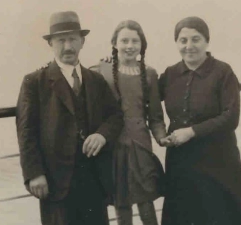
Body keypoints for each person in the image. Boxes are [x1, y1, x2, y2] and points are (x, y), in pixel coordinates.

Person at [15, 11, 124, 225]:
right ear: (51, 44)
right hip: (56, 182)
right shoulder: (34, 82)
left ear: (82, 41)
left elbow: (115, 116)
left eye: (73, 39)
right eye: (61, 40)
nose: (67, 47)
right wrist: (34, 174)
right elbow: (25, 132)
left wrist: (102, 135)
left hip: (94, 180)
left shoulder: (96, 80)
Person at [159, 16, 241, 225]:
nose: (189, 46)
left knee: (221, 215)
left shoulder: (222, 72)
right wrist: (111, 65)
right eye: (183, 40)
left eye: (196, 39)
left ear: (207, 41)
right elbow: (143, 98)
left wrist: (191, 131)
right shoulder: (170, 74)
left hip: (218, 160)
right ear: (176, 43)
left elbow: (231, 117)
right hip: (181, 161)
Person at [90, 20, 170, 225]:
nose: (129, 45)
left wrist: (161, 137)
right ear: (114, 43)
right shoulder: (102, 69)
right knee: (121, 201)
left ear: (142, 45)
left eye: (135, 41)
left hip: (141, 144)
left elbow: (155, 116)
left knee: (145, 200)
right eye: (124, 40)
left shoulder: (150, 73)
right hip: (114, 143)